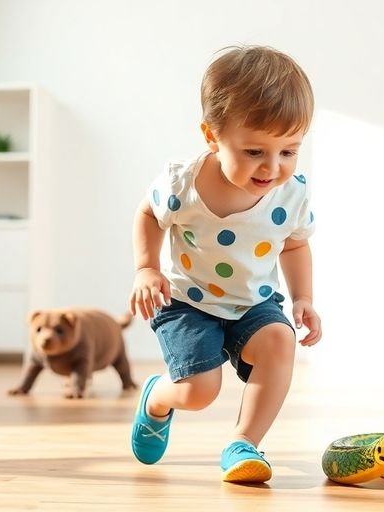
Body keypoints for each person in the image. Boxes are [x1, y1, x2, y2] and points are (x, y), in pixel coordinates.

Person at [128, 45, 322, 483]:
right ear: (212, 136)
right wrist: (146, 267)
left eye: (289, 151)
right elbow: (147, 214)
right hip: (186, 301)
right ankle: (157, 400)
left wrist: (303, 297)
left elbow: (293, 245)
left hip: (254, 300)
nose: (273, 167)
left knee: (278, 343)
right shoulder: (182, 182)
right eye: (255, 151)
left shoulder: (292, 193)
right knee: (199, 392)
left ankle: (244, 444)